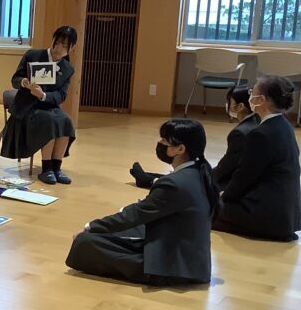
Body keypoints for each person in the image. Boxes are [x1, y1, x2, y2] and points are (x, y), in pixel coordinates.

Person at [66, 118, 217, 286]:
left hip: (173, 266)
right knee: (124, 229)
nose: (160, 143)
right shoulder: (200, 172)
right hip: (190, 258)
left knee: (85, 242)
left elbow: (136, 214)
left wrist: (91, 226)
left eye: (165, 140)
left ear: (180, 149)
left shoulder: (175, 184)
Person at [213, 75, 301, 242]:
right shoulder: (284, 124)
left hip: (266, 214)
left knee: (202, 207)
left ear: (261, 100)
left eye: (252, 92)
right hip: (286, 214)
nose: (250, 96)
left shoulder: (260, 134)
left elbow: (244, 177)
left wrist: (221, 199)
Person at [130, 85, 260, 191]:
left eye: (229, 101)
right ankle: (152, 177)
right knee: (187, 173)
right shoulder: (256, 122)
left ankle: (151, 181)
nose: (226, 105)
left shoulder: (240, 133)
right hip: (243, 178)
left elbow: (225, 168)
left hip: (232, 184)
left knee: (189, 180)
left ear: (240, 106)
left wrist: (202, 178)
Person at [1, 25, 78, 185]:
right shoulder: (33, 55)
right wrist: (24, 82)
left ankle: (57, 168)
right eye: (58, 43)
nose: (59, 48)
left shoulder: (67, 68)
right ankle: (46, 168)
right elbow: (15, 79)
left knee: (66, 121)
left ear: (72, 48)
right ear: (53, 40)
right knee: (49, 121)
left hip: (48, 105)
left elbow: (61, 95)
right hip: (26, 108)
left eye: (65, 46)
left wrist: (43, 95)